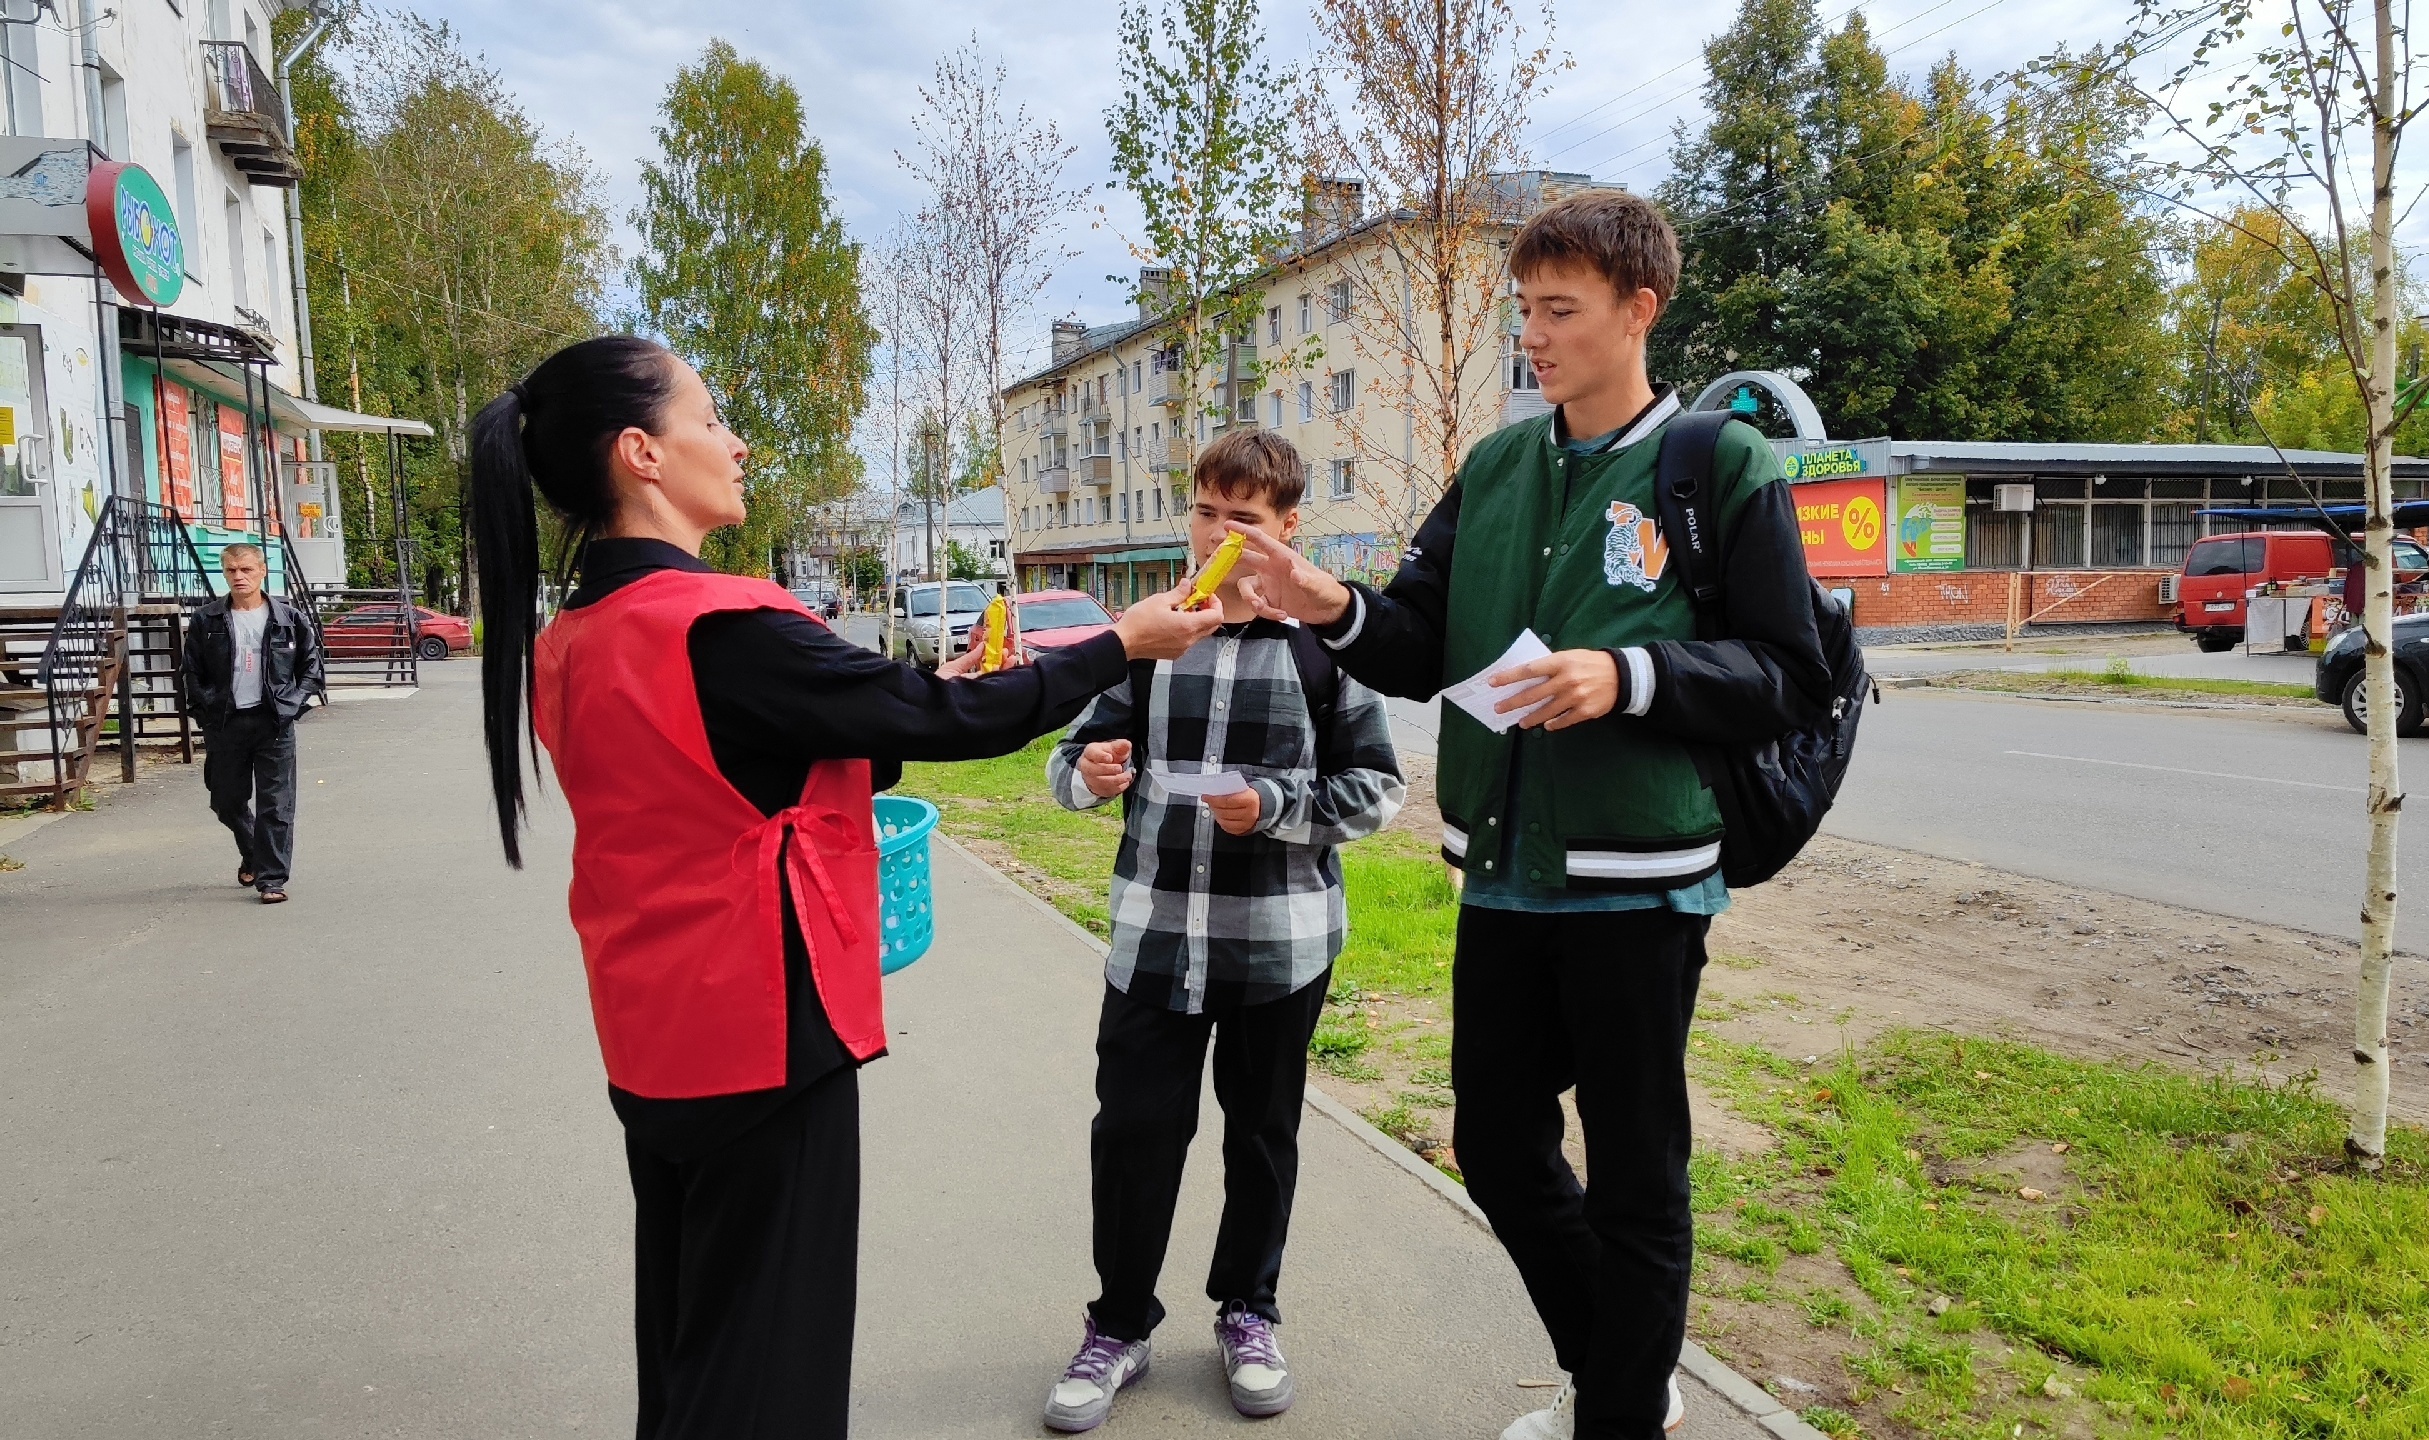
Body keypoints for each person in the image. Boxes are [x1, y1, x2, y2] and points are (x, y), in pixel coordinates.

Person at [466, 336, 1223, 1440]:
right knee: (770, 1361)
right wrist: (1119, 643)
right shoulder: (720, 623)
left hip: (653, 1029)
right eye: (710, 418)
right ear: (640, 453)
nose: (736, 442)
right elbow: (944, 724)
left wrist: (914, 696)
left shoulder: (577, 634)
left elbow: (736, 768)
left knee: (693, 1330)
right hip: (761, 1028)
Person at [1226, 191, 1829, 1440]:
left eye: (1560, 311)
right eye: (1526, 310)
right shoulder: (1497, 466)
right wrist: (1325, 601)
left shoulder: (1718, 464)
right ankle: (1624, 1374)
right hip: (1502, 871)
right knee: (1497, 1149)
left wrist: (1630, 675)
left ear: (1637, 310)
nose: (1535, 336)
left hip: (1642, 880)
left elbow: (1786, 671)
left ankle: (1614, 1416)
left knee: (1636, 1180)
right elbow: (1415, 640)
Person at [1038, 431, 1406, 1432]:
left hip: (1276, 944)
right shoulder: (1152, 636)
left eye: (1242, 520)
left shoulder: (1325, 652)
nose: (1217, 534)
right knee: (1134, 1136)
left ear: (1286, 532)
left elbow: (1379, 790)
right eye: (1204, 512)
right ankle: (1117, 1325)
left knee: (1262, 1138)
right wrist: (1093, 773)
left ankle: (1248, 1312)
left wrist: (1278, 803)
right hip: (1153, 937)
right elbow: (1068, 763)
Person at [181, 542, 326, 903]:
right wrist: (208, 708)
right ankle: (254, 853)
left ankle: (271, 880)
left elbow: (312, 668)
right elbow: (191, 672)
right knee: (226, 802)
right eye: (231, 570)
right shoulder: (207, 619)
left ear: (262, 571)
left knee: (276, 805)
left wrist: (290, 704)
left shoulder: (287, 618)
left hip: (273, 723)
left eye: (246, 569)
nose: (238, 577)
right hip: (226, 724)